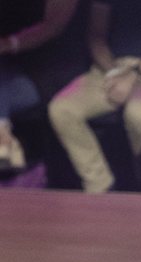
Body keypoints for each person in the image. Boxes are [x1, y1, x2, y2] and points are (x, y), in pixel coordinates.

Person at [47, 0, 141, 193]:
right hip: (114, 66)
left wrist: (134, 74)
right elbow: (96, 36)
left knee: (138, 113)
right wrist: (115, 73)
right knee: (62, 108)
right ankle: (99, 185)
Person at [0, 0, 80, 171]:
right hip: (11, 67)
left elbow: (53, 26)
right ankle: (5, 141)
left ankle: (4, 142)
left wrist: (9, 44)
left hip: (52, 68)